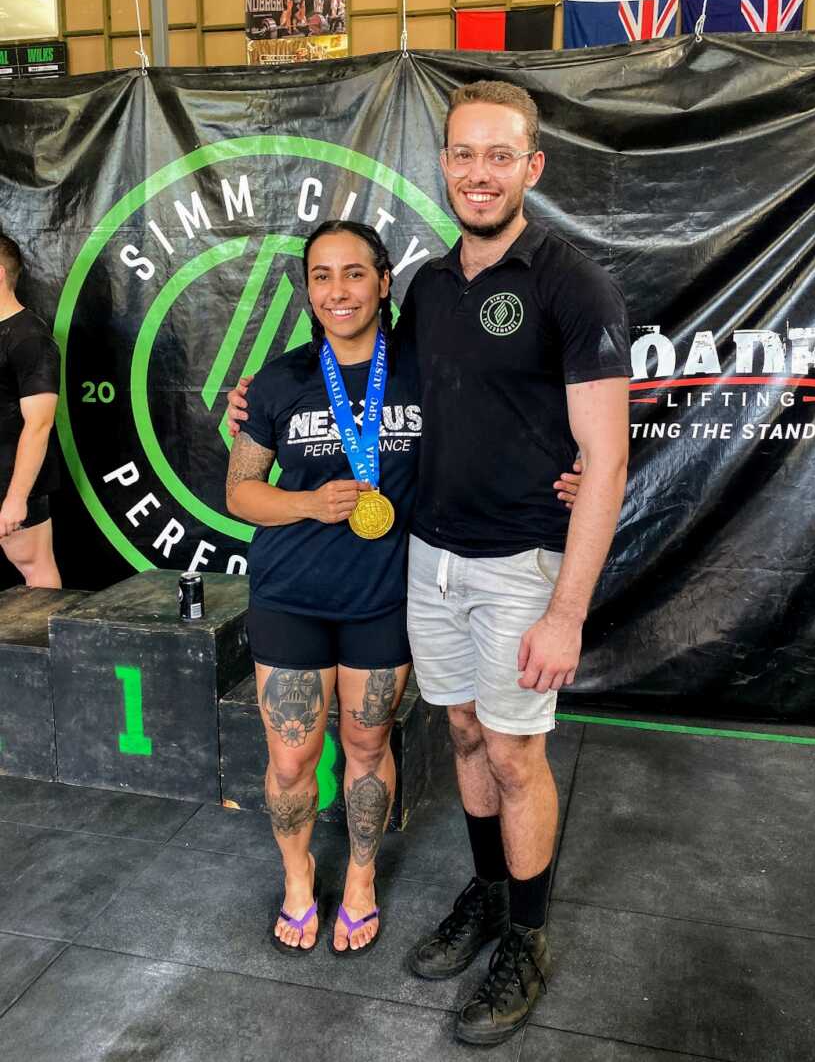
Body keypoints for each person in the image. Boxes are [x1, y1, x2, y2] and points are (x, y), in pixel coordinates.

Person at [228, 80, 628, 1043]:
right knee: (459, 736)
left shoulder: (572, 281)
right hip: (430, 565)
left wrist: (568, 608)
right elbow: (409, 410)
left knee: (516, 750)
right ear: (442, 165)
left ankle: (526, 938)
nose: (478, 172)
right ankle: (489, 896)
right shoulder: (432, 290)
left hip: (519, 564)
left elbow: (607, 451)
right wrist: (259, 404)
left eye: (500, 156)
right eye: (462, 155)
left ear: (532, 166)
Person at [226, 218, 582, 959]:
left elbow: (515, 416)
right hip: (290, 591)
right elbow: (240, 492)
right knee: (291, 757)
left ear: (385, 282)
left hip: (385, 595)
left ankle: (359, 879)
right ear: (308, 290)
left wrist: (578, 469)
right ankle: (298, 878)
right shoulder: (281, 380)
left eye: (354, 272)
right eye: (321, 276)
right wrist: (306, 501)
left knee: (365, 742)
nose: (338, 290)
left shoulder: (429, 370)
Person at [0, 233, 62, 588]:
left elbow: (39, 425)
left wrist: (15, 498)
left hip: (9, 482)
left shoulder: (30, 339)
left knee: (35, 570)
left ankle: (45, 645)